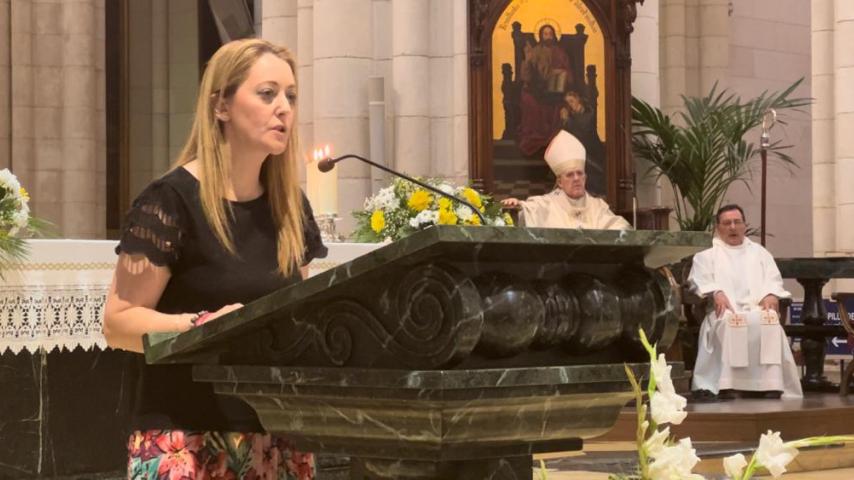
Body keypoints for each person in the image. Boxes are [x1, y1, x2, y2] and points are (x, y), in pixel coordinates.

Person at [103, 39, 326, 479]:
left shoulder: (291, 208)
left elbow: (295, 320)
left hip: (276, 437)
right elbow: (118, 322)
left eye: (291, 96)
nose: (284, 108)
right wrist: (204, 326)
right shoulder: (170, 202)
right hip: (186, 439)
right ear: (221, 106)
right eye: (267, 94)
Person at [689, 204, 802, 401]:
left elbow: (773, 280)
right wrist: (716, 292)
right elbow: (699, 281)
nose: (733, 227)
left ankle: (770, 385)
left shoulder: (760, 253)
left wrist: (770, 294)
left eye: (737, 222)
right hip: (725, 311)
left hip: (756, 308)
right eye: (727, 223)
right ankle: (728, 384)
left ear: (744, 225)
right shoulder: (706, 256)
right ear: (717, 227)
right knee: (730, 322)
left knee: (769, 320)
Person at [501, 130, 630, 230]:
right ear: (559, 182)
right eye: (570, 175)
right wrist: (515, 206)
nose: (576, 179)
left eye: (579, 173)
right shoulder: (546, 205)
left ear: (585, 178)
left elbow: (622, 228)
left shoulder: (598, 207)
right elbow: (525, 213)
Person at [517, 24, 572, 156]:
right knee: (529, 101)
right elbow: (526, 76)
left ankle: (552, 140)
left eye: (550, 34)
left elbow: (569, 75)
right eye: (545, 34)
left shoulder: (561, 53)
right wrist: (528, 60)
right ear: (541, 36)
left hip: (556, 89)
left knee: (557, 104)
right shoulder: (535, 51)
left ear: (554, 36)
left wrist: (562, 74)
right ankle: (535, 138)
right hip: (537, 88)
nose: (548, 36)